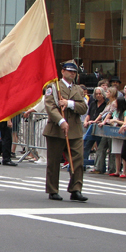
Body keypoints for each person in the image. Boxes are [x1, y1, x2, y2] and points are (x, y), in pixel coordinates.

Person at [43, 60, 88, 202]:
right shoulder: (53, 87)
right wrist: (61, 121)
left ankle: (76, 189)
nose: (72, 74)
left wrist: (69, 103)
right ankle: (53, 190)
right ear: (62, 71)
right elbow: (50, 106)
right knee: (54, 161)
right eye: (69, 71)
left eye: (74, 72)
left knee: (78, 160)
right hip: (56, 130)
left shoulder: (78, 89)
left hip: (74, 130)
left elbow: (83, 108)